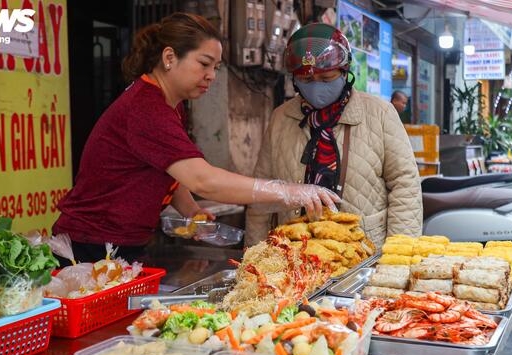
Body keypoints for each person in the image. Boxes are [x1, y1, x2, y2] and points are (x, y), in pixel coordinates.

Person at [52, 13, 338, 263]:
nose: (211, 75)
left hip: (122, 242)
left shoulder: (170, 104)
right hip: (89, 246)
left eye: (216, 67)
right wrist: (289, 191)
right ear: (169, 57)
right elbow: (204, 180)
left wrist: (192, 212)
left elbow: (169, 169)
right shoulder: (146, 109)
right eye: (204, 63)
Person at [245, 23, 422, 247]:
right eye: (307, 80)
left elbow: (405, 185)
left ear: (344, 72)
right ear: (295, 81)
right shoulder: (281, 118)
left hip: (364, 255)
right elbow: (263, 192)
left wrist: (397, 257)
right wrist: (255, 253)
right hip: (295, 255)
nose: (317, 86)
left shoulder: (379, 113)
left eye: (327, 79)